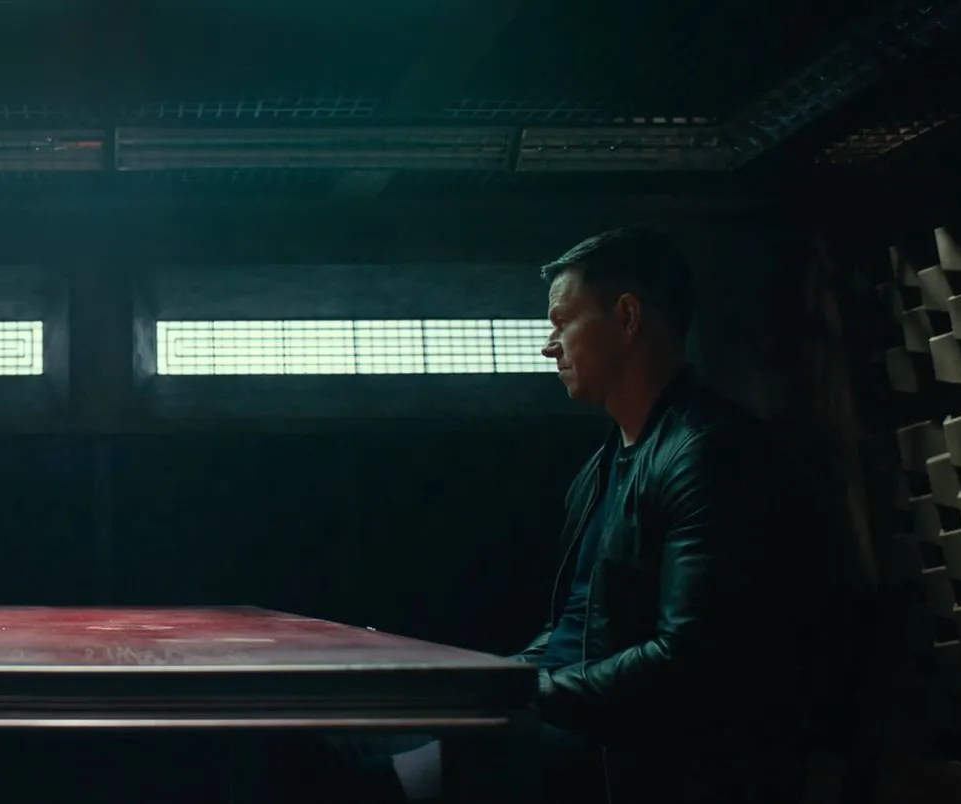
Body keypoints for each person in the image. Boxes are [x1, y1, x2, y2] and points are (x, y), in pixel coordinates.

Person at [278, 228, 828, 802]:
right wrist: (483, 678)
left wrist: (518, 692)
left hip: (626, 746)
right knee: (330, 741)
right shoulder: (602, 468)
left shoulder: (708, 453)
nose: (549, 346)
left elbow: (686, 660)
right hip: (569, 713)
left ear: (627, 318)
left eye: (562, 322)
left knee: (366, 784)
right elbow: (573, 631)